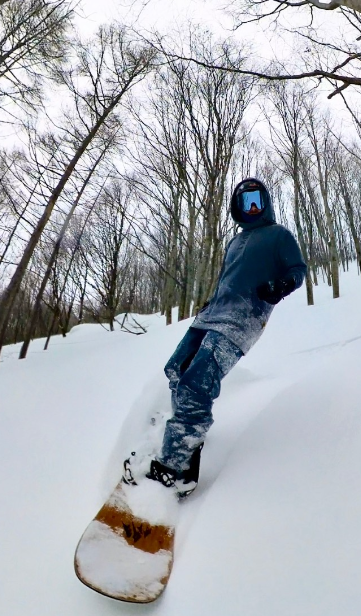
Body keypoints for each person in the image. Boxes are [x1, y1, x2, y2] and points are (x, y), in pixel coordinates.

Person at [131, 178, 307, 498]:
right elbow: (228, 279)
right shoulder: (234, 243)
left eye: (256, 200)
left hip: (242, 320)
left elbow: (297, 269)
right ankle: (188, 428)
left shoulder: (278, 235)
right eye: (245, 202)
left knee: (198, 381)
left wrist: (280, 286)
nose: (252, 207)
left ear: (265, 202)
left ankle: (175, 468)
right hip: (210, 315)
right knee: (177, 369)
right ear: (237, 207)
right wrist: (209, 302)